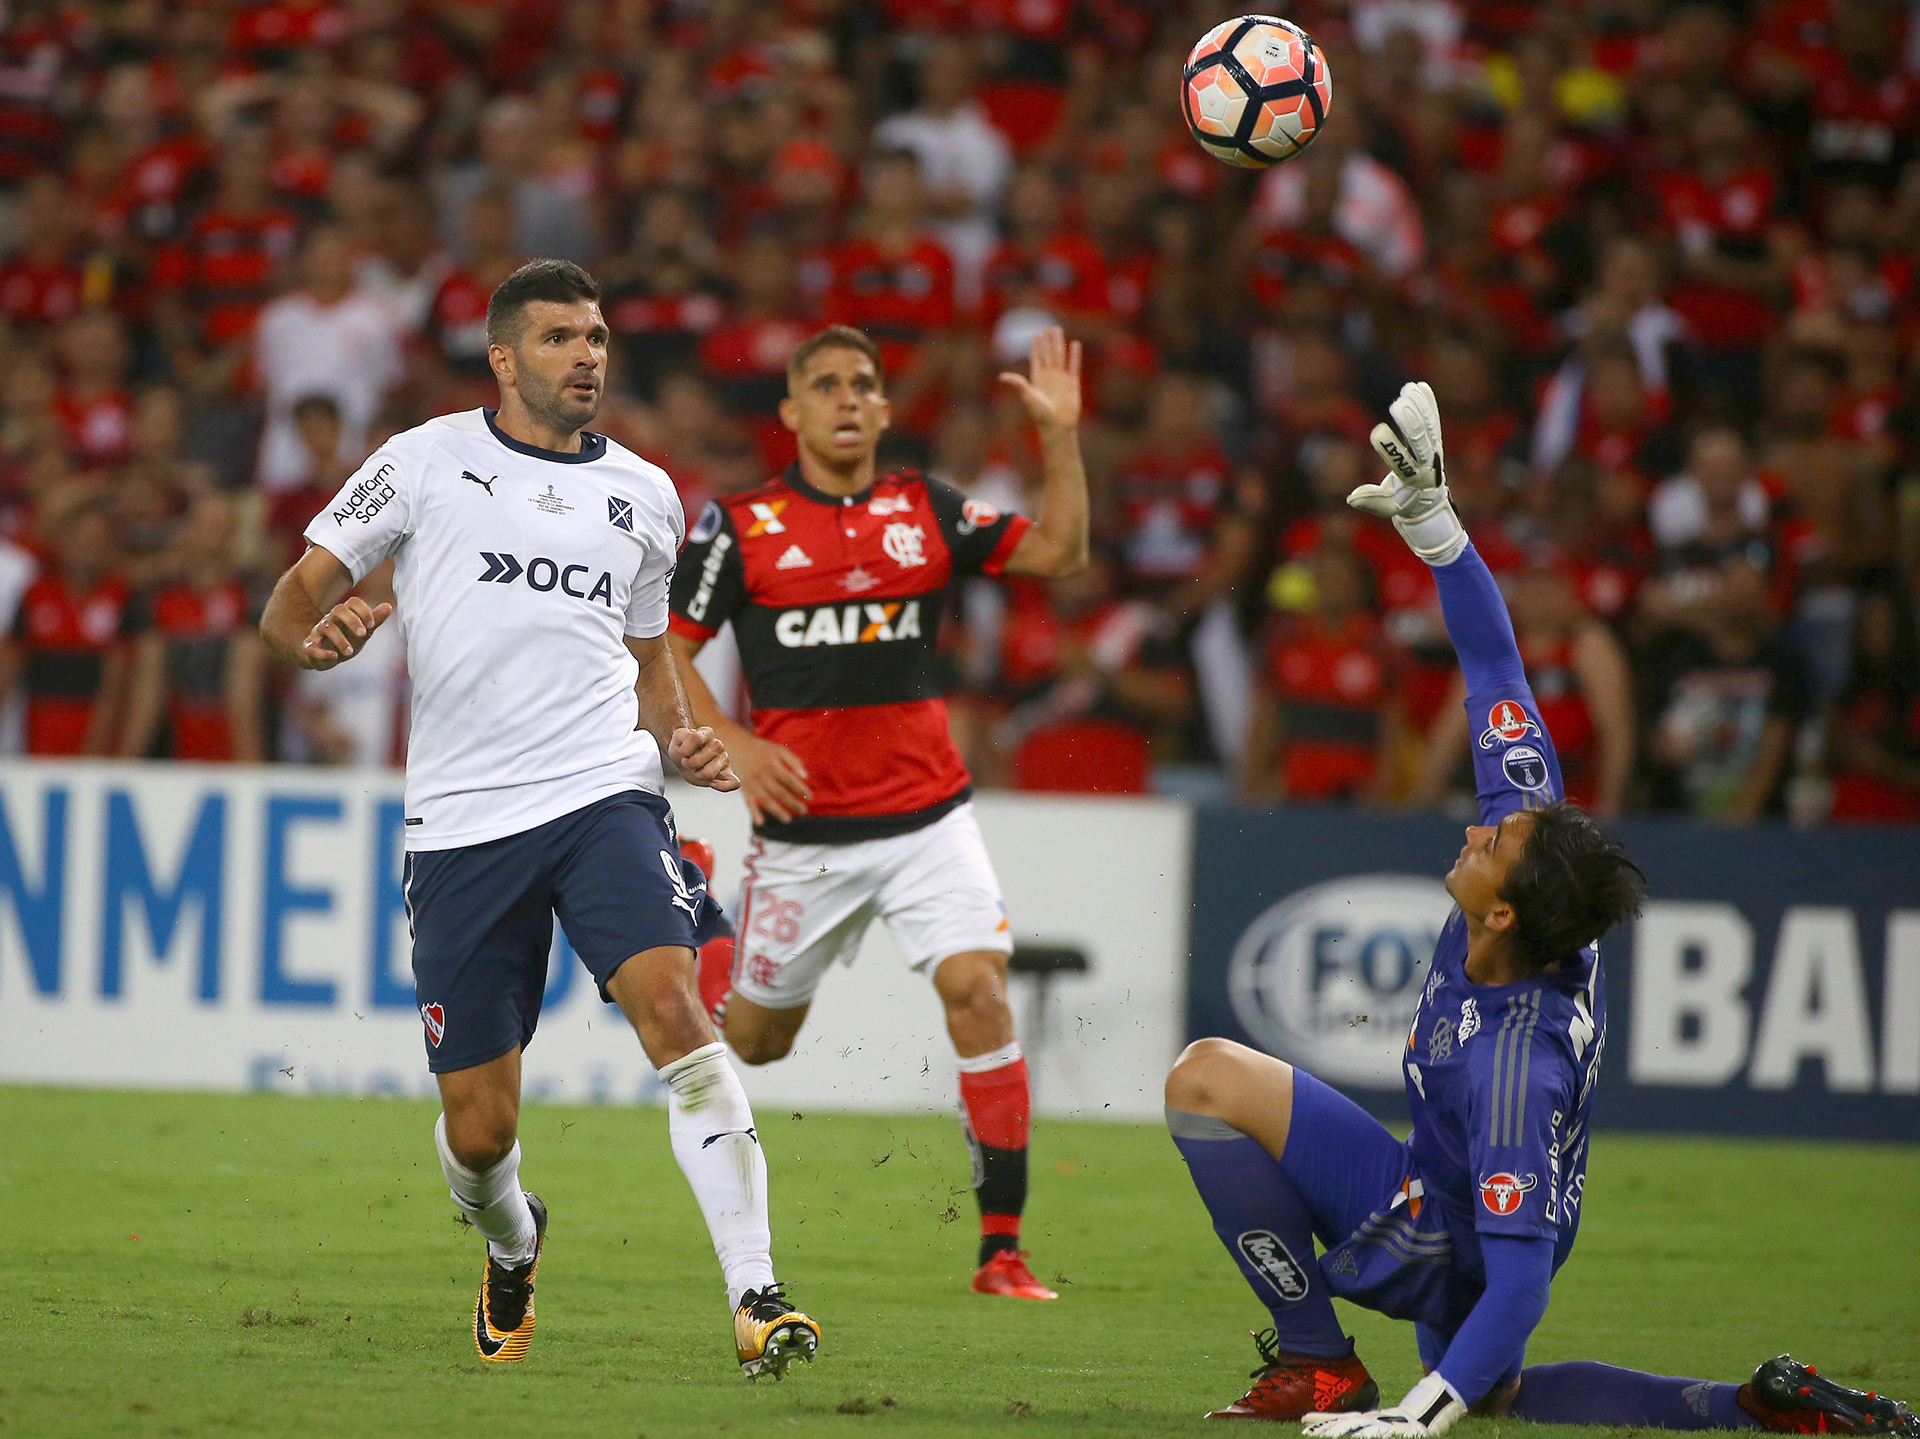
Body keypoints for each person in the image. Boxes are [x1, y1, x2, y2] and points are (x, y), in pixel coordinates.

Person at [1160, 381, 1919, 1439]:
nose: (1479, 827)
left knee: (1207, 1079)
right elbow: (1493, 663)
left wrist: (1419, 1418)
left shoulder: (1516, 1062)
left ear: (1506, 916)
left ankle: (1321, 1363)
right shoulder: (1531, 852)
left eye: (1496, 839)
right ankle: (1746, 1408)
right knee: (1503, 1385)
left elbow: (1518, 1283)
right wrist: (1437, 527)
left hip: (1462, 1236)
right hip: (1444, 1185)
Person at [257, 259, 820, 1379]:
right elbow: (289, 602)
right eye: (563, 338)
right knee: (479, 1130)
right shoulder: (422, 460)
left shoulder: (650, 493)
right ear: (505, 358)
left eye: (600, 336)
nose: (590, 356)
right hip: (463, 822)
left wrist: (682, 737)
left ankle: (758, 1293)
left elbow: (651, 660)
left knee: (673, 1005)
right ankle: (513, 1241)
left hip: (603, 792)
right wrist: (318, 641)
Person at [666, 322, 1089, 1302]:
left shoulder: (927, 508)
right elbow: (668, 650)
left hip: (927, 822)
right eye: (826, 383)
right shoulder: (741, 525)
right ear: (792, 411)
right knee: (756, 1041)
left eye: (864, 382)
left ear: (887, 410)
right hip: (804, 839)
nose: (848, 398)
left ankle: (1000, 1248)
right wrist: (733, 740)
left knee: (979, 988)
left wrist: (1057, 437)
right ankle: (702, 907)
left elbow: (1062, 552)